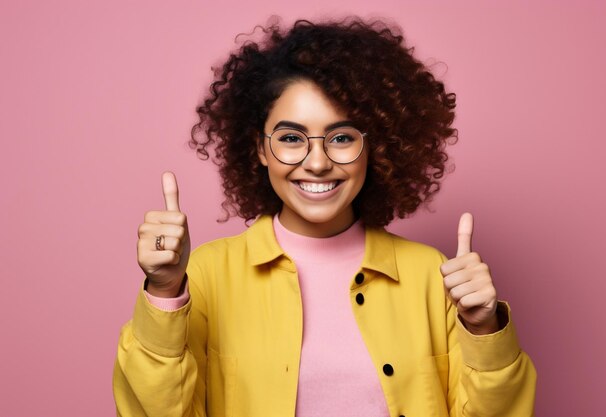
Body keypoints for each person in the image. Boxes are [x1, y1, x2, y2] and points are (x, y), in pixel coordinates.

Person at [113, 16, 537, 417]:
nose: (317, 163)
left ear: (376, 146)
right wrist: (165, 290)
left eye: (341, 137)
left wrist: (484, 329)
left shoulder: (433, 276)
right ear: (259, 149)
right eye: (292, 138)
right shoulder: (204, 275)